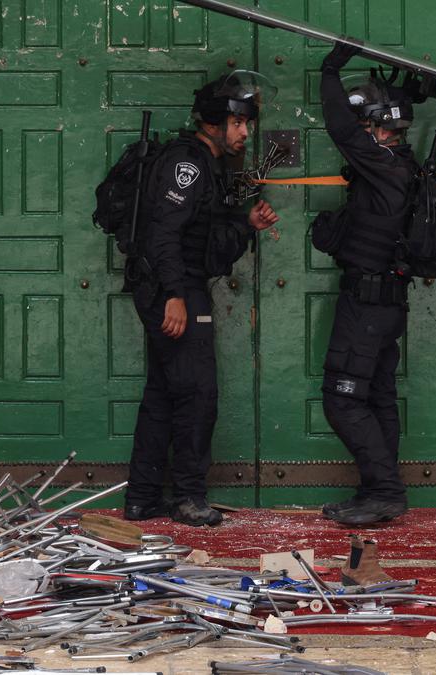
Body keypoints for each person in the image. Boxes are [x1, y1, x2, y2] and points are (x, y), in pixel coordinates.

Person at [123, 71, 280, 527]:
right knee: (197, 395)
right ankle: (190, 497)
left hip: (176, 285)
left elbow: (202, 236)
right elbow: (163, 233)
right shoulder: (187, 165)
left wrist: (246, 223)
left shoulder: (207, 164)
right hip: (174, 288)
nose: (245, 132)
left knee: (162, 396)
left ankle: (143, 498)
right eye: (239, 123)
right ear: (215, 121)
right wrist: (175, 295)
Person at [317, 43, 419, 525]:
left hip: (369, 305)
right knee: (376, 396)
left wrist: (330, 69)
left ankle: (383, 491)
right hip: (384, 302)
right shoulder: (399, 167)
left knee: (341, 399)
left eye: (366, 127)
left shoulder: (383, 165)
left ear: (380, 127)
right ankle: (378, 491)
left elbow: (339, 127)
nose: (358, 135)